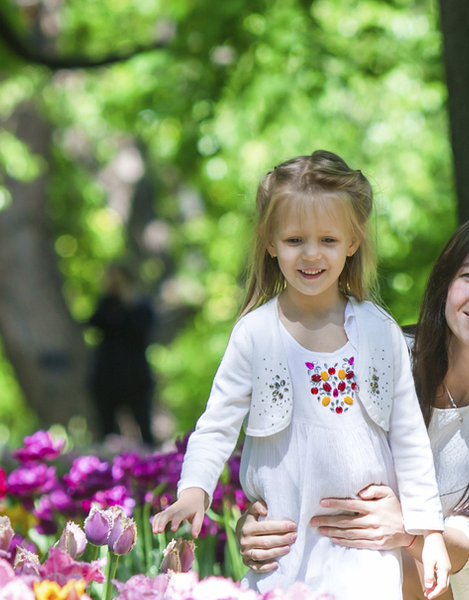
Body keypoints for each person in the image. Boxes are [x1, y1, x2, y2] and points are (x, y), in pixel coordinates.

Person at [149, 151, 451, 599]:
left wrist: (430, 532)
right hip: (283, 545)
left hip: (363, 550)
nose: (311, 254)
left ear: (352, 242)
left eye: (328, 239)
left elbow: (409, 438)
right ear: (270, 242)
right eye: (294, 240)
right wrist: (194, 490)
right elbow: (216, 426)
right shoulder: (255, 333)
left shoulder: (379, 331)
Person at [236, 209, 469, 600]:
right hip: (362, 569)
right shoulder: (380, 357)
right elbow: (309, 459)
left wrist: (408, 530)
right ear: (446, 283)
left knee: (391, 557)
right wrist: (257, 523)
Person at [87, 264, 158, 446]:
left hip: (135, 375)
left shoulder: (141, 305)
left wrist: (128, 304)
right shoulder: (106, 304)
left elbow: (142, 332)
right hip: (107, 375)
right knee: (107, 431)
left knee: (144, 427)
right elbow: (94, 323)